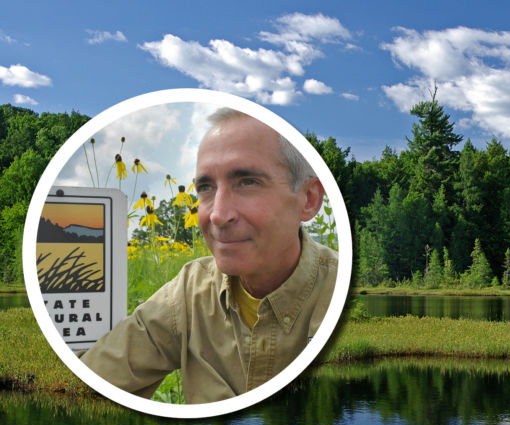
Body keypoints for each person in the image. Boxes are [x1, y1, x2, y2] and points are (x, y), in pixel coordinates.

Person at [81, 108, 338, 404]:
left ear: (308, 200)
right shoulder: (190, 291)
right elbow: (91, 381)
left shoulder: (340, 296)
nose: (217, 215)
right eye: (205, 187)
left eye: (247, 182)